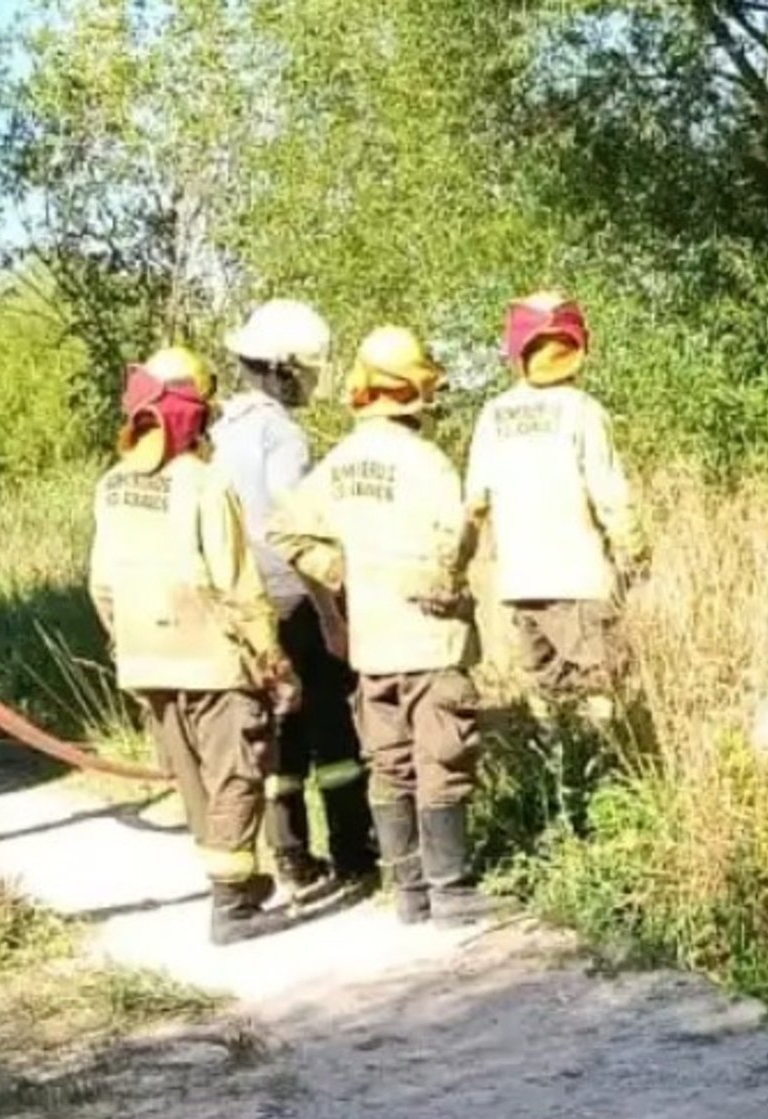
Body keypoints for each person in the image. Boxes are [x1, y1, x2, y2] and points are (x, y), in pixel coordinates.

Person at [268, 326, 481, 927]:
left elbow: (284, 530)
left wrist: (337, 572)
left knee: (390, 763)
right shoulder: (427, 461)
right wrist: (460, 570)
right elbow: (450, 547)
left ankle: (408, 894)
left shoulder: (338, 462)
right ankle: (453, 892)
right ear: (418, 391)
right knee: (442, 757)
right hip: (430, 640)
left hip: (373, 645)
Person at [89, 346, 298, 946]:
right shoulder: (206, 484)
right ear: (196, 416)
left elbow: (101, 582)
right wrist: (270, 655)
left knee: (192, 779)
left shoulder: (112, 486)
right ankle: (231, 906)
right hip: (211, 655)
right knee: (236, 770)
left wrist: (122, 638)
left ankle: (233, 883)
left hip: (144, 658)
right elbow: (236, 582)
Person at [211, 299, 378, 898]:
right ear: (282, 368)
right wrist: (332, 610)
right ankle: (354, 854)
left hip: (245, 608)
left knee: (278, 736)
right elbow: (295, 527)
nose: (310, 379)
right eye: (305, 368)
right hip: (293, 600)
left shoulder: (222, 428)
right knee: (332, 733)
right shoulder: (282, 434)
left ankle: (290, 856)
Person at [464, 291, 645, 723]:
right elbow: (610, 494)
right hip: (581, 578)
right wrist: (634, 551)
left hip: (520, 581)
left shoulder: (494, 414)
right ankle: (599, 771)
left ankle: (557, 772)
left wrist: (461, 567)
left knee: (544, 687)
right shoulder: (583, 410)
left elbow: (474, 502)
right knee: (599, 684)